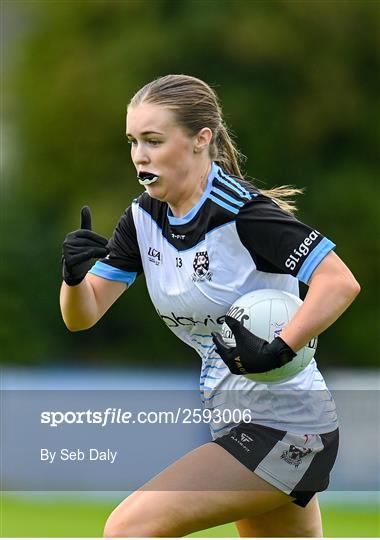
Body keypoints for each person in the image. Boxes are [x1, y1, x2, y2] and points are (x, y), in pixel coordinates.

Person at [60, 74, 360, 538]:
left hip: (287, 424)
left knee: (129, 529)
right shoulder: (142, 219)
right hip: (236, 418)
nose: (140, 155)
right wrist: (73, 278)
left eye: (154, 140)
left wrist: (281, 347)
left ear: (202, 140)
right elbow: (83, 315)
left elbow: (339, 281)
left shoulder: (243, 213)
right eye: (133, 141)